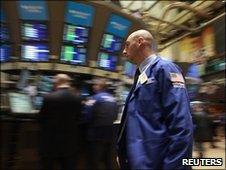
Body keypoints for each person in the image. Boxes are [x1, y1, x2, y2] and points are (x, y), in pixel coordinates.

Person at [117, 30, 193, 169]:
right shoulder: (141, 75)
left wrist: (174, 166)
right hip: (140, 161)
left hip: (156, 162)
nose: (124, 51)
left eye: (127, 45)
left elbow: (181, 124)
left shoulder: (166, 69)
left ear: (140, 42)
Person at [38, 74, 82, 170]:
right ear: (68, 83)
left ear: (56, 82)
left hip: (50, 142)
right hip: (69, 143)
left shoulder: (49, 97)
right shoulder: (77, 98)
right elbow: (79, 118)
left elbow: (41, 118)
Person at [84, 77, 118, 169]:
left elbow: (87, 116)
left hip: (96, 134)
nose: (93, 87)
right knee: (107, 161)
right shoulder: (113, 99)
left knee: (93, 161)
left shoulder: (94, 98)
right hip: (109, 134)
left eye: (95, 85)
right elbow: (115, 117)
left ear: (100, 86)